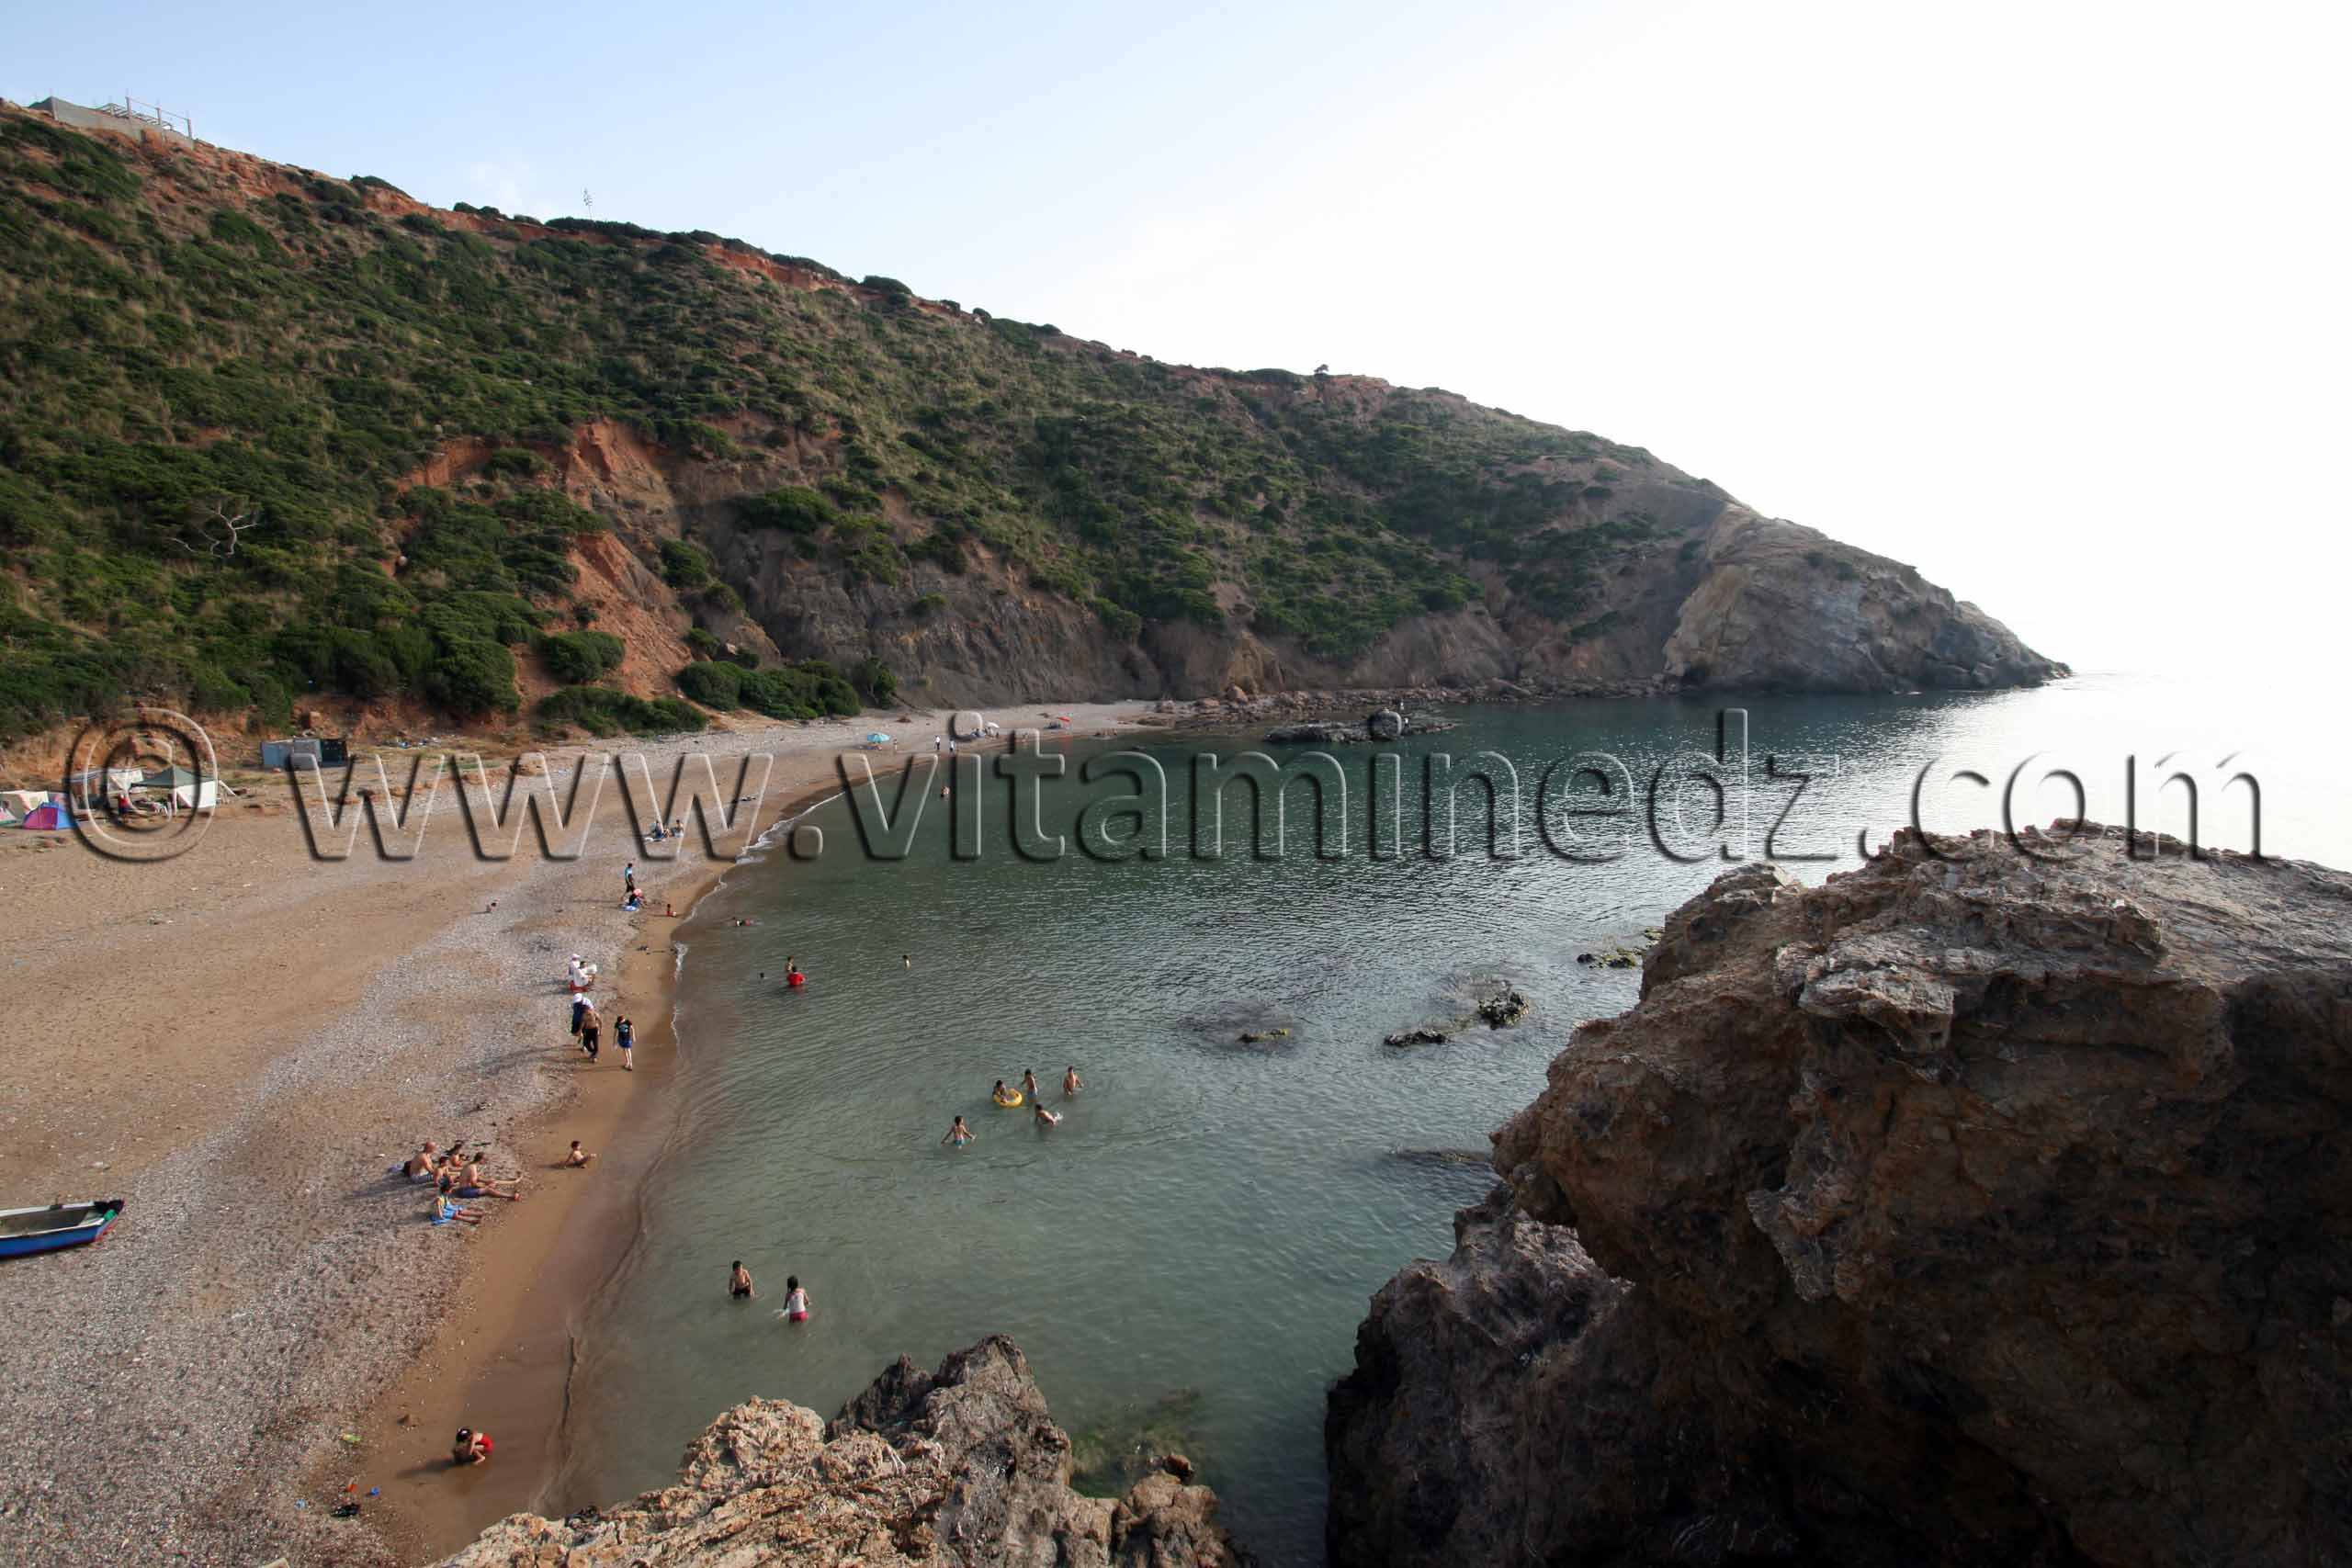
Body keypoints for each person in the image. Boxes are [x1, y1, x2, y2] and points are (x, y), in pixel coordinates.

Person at [458, 1158, 522, 1201]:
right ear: (481, 1159)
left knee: (492, 1182)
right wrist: (486, 1186)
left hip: (467, 1188)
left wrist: (488, 1181)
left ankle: (514, 1181)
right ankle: (512, 1196)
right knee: (488, 1190)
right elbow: (474, 1184)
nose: (485, 1161)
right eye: (484, 1160)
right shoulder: (472, 1168)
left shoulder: (471, 1165)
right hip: (465, 1191)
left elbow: (477, 1178)